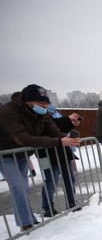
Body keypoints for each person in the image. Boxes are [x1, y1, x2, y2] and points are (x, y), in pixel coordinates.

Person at [0, 84, 80, 230]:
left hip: (27, 154)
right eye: (41, 103)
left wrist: (65, 139)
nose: (45, 106)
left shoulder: (43, 113)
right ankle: (34, 217)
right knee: (36, 182)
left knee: (23, 187)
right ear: (29, 101)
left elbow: (54, 129)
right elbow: (23, 138)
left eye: (46, 103)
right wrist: (60, 141)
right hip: (17, 154)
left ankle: (28, 217)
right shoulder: (8, 112)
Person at [38, 112, 83, 217]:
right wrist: (68, 119)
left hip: (62, 152)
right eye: (42, 103)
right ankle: (47, 207)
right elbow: (49, 128)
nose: (45, 106)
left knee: (69, 178)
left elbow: (58, 131)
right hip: (43, 154)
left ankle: (71, 202)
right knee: (50, 180)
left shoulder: (48, 114)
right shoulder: (34, 117)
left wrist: (71, 124)